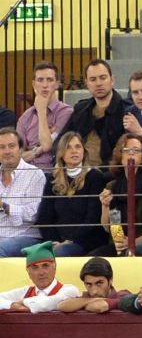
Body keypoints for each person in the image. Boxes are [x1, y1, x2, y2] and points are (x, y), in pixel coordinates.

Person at [93, 133, 142, 255]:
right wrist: (105, 206)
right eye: (126, 150)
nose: (131, 153)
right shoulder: (112, 186)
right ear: (120, 155)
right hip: (118, 244)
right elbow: (107, 227)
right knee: (93, 258)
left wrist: (133, 242)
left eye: (136, 150)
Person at [37, 131, 106, 256]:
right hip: (58, 241)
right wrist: (54, 241)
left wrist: (69, 241)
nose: (74, 151)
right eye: (68, 147)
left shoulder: (94, 177)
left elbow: (93, 219)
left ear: (84, 151)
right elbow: (44, 217)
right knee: (35, 254)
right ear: (61, 153)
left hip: (86, 241)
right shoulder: (53, 178)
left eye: (78, 147)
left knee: (61, 252)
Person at [61, 59, 128, 169]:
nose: (98, 83)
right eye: (93, 79)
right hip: (77, 171)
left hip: (109, 174)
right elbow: (63, 140)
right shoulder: (80, 109)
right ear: (87, 83)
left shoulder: (126, 110)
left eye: (103, 78)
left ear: (112, 80)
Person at [16, 61, 73, 170]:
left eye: (50, 80)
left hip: (54, 173)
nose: (45, 85)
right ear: (34, 84)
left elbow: (47, 145)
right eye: (40, 80)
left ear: (57, 84)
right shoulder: (25, 118)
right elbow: (17, 157)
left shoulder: (66, 112)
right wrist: (38, 150)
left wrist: (41, 111)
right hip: (29, 173)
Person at [0, 128, 44, 257]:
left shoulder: (35, 174)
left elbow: (34, 214)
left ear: (20, 149)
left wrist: (4, 206)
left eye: (11, 146)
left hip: (25, 236)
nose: (7, 151)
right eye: (2, 147)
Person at [0, 240, 79, 312]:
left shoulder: (70, 290)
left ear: (54, 268)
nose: (41, 272)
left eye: (45, 266)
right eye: (35, 267)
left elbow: (44, 304)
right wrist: (12, 305)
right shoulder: (25, 291)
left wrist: (22, 302)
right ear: (28, 272)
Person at [57, 257, 132, 313]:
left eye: (99, 283)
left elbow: (100, 307)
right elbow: (61, 306)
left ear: (110, 280)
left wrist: (81, 305)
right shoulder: (86, 297)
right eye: (88, 284)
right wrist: (93, 300)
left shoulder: (123, 296)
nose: (94, 291)